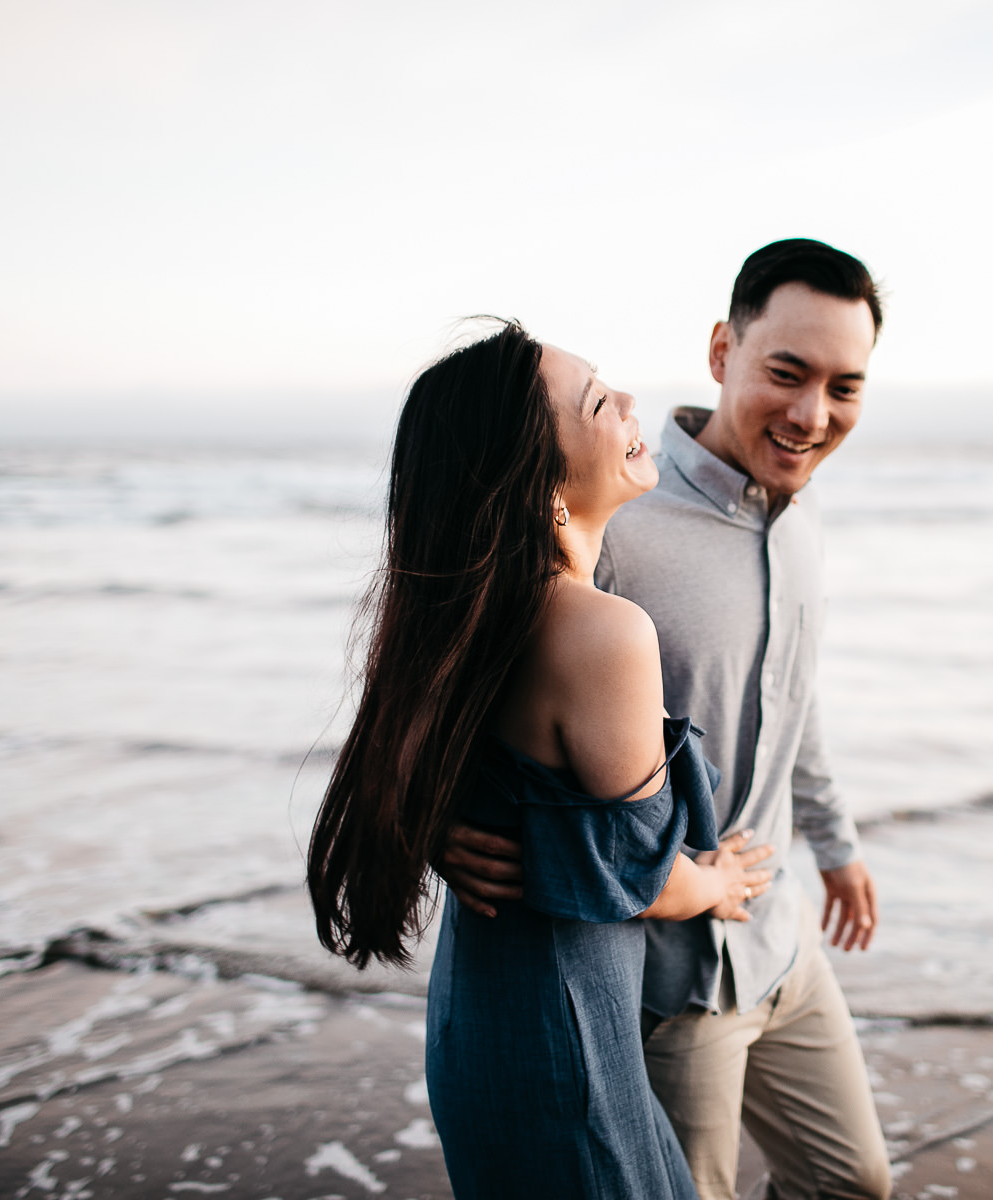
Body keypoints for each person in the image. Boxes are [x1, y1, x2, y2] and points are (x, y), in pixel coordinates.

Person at [441, 240, 893, 1200]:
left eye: (844, 387)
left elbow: (792, 704)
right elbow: (466, 682)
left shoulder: (800, 520)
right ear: (724, 351)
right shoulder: (609, 508)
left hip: (780, 933)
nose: (813, 415)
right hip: (669, 978)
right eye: (787, 372)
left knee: (855, 1182)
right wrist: (437, 820)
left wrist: (838, 844)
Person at [306, 320, 780, 1200]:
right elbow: (634, 877)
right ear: (539, 486)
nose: (632, 402)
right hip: (568, 1050)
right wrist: (719, 884)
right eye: (599, 401)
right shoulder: (603, 631)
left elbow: (419, 770)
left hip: (481, 1025)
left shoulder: (470, 618)